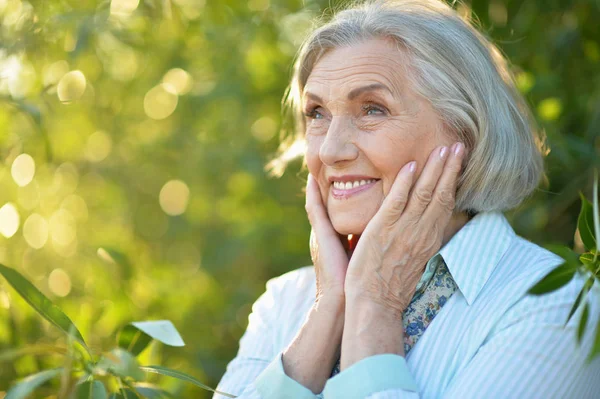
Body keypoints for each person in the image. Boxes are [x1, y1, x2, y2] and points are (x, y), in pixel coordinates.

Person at [213, 0, 600, 398]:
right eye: (317, 114)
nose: (329, 151)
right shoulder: (285, 301)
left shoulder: (559, 304)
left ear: (465, 132)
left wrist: (376, 303)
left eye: (372, 110)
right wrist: (330, 308)